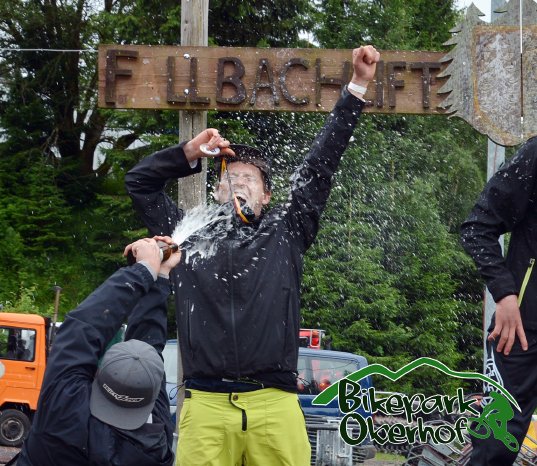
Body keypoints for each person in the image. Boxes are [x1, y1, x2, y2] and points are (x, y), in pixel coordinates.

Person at [125, 45, 380, 466]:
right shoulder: (190, 235)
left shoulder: (288, 231)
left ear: (267, 195)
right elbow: (139, 183)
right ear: (217, 191)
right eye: (231, 177)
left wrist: (356, 86)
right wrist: (189, 153)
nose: (239, 183)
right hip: (205, 405)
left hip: (275, 405)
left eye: (250, 178)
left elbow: (321, 165)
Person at [16, 236, 181, 466]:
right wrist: (160, 277)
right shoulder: (156, 448)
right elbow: (149, 349)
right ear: (152, 396)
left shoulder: (61, 413)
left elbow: (81, 328)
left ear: (100, 373)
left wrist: (144, 272)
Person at [460, 137, 537, 465]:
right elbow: (477, 228)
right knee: (494, 446)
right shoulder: (536, 155)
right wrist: (505, 295)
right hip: (521, 331)